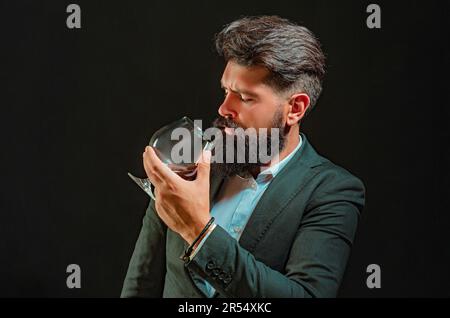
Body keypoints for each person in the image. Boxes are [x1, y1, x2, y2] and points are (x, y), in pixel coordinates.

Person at [121, 15, 365, 298]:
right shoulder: (189, 161)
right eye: (226, 90)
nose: (224, 108)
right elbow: (141, 284)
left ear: (295, 109)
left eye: (245, 97)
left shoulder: (332, 190)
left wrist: (199, 233)